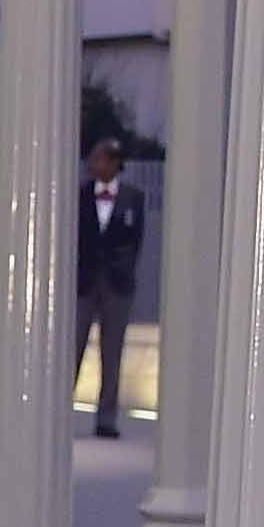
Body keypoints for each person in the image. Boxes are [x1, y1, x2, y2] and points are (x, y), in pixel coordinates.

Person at [75, 136, 148, 438]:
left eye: (101, 159)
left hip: (117, 285)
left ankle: (106, 418)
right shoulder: (80, 194)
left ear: (115, 163)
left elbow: (136, 240)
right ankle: (59, 411)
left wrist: (123, 269)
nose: (96, 164)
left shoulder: (133, 197)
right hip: (84, 282)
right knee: (73, 346)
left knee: (112, 352)